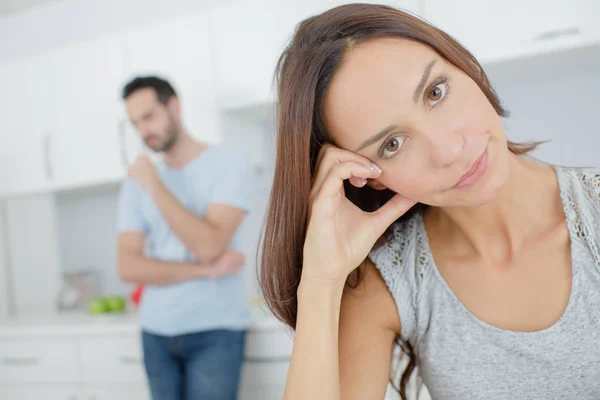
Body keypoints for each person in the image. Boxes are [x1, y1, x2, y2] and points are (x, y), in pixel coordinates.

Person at [259, 4, 600, 400]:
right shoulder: (386, 284)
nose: (450, 149)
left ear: (463, 65)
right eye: (392, 145)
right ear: (366, 176)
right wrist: (321, 280)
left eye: (435, 92)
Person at [117, 76, 253, 400]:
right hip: (155, 331)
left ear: (173, 107)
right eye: (135, 123)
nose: (142, 131)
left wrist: (154, 185)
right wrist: (204, 271)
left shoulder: (230, 163)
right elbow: (128, 267)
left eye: (148, 116)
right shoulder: (135, 181)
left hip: (215, 329)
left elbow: (207, 247)